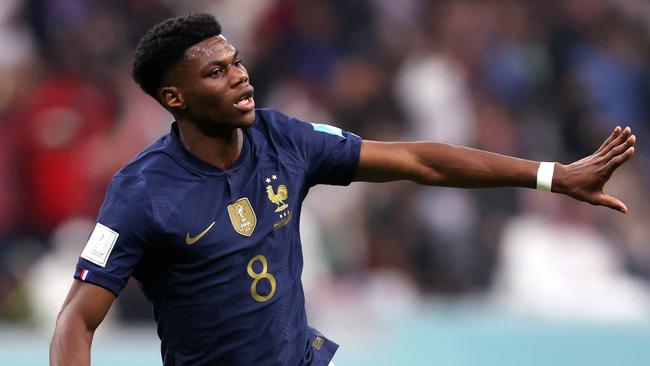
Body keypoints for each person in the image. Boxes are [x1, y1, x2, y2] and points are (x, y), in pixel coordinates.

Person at [49, 13, 636, 366]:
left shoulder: (284, 139)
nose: (239, 76)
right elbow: (77, 318)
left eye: (235, 61)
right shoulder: (142, 191)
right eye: (215, 72)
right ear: (174, 99)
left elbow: (415, 160)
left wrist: (551, 175)